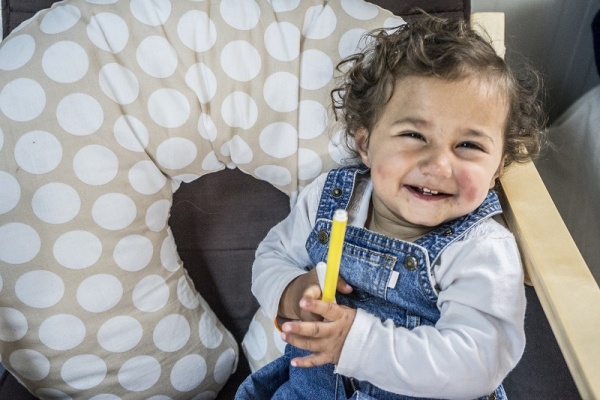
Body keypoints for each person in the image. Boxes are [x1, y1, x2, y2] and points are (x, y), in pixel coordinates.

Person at [236, 12, 546, 400]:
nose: (438, 165)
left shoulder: (481, 248)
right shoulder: (333, 201)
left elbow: (479, 361)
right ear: (365, 144)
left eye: (469, 145)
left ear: (497, 167)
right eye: (414, 135)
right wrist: (290, 291)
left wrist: (357, 343)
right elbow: (272, 254)